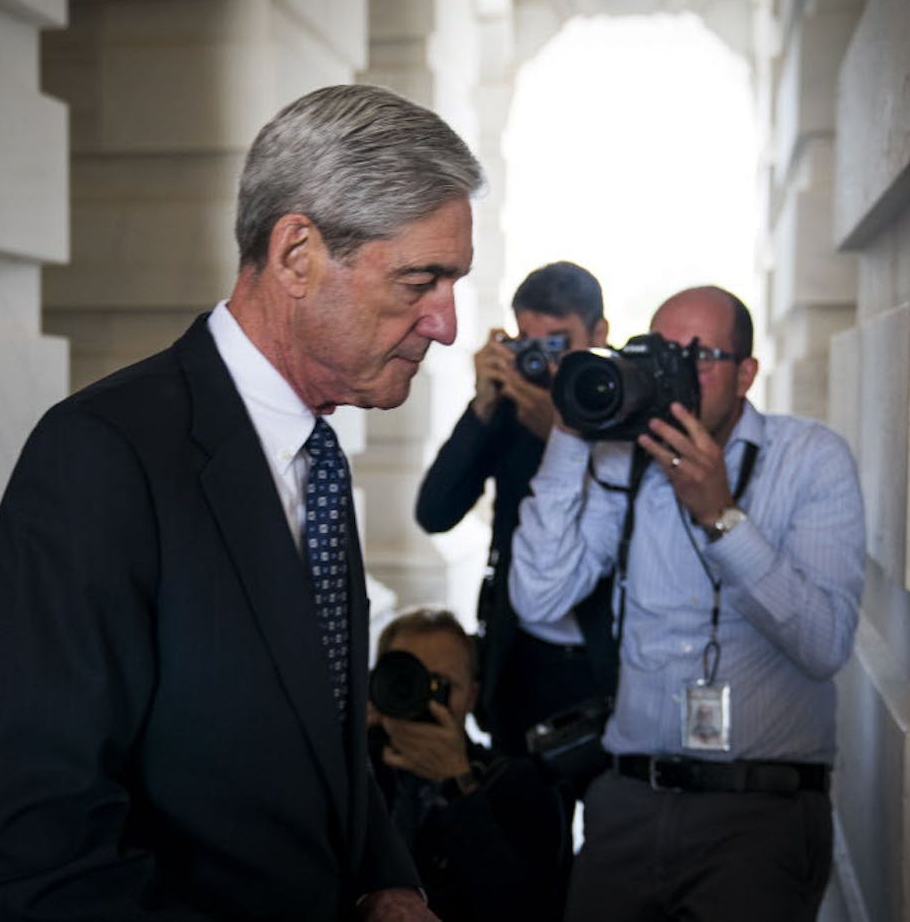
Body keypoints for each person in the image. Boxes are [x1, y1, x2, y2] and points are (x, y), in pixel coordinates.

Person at [0, 84, 483, 921]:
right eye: (421, 281)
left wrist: (385, 879)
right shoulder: (100, 455)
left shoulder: (321, 456)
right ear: (297, 253)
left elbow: (320, 733)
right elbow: (14, 841)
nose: (446, 324)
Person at [510, 285, 865, 921]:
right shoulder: (623, 456)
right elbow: (538, 600)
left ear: (747, 372)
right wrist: (569, 435)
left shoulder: (810, 458)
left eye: (698, 357)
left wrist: (723, 518)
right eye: (657, 354)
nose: (673, 374)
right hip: (625, 802)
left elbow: (825, 644)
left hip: (758, 813)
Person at [414, 262, 610, 755]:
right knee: (519, 821)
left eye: (558, 343)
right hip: (518, 657)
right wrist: (482, 405)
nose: (543, 362)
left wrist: (561, 438)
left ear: (599, 334)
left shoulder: (621, 404)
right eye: (528, 342)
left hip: (608, 661)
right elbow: (434, 512)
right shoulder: (510, 407)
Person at [369, 610, 569, 922]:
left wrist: (459, 783)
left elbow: (524, 907)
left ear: (471, 696)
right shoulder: (355, 775)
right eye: (406, 680)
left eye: (440, 685)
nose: (422, 700)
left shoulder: (518, 784)